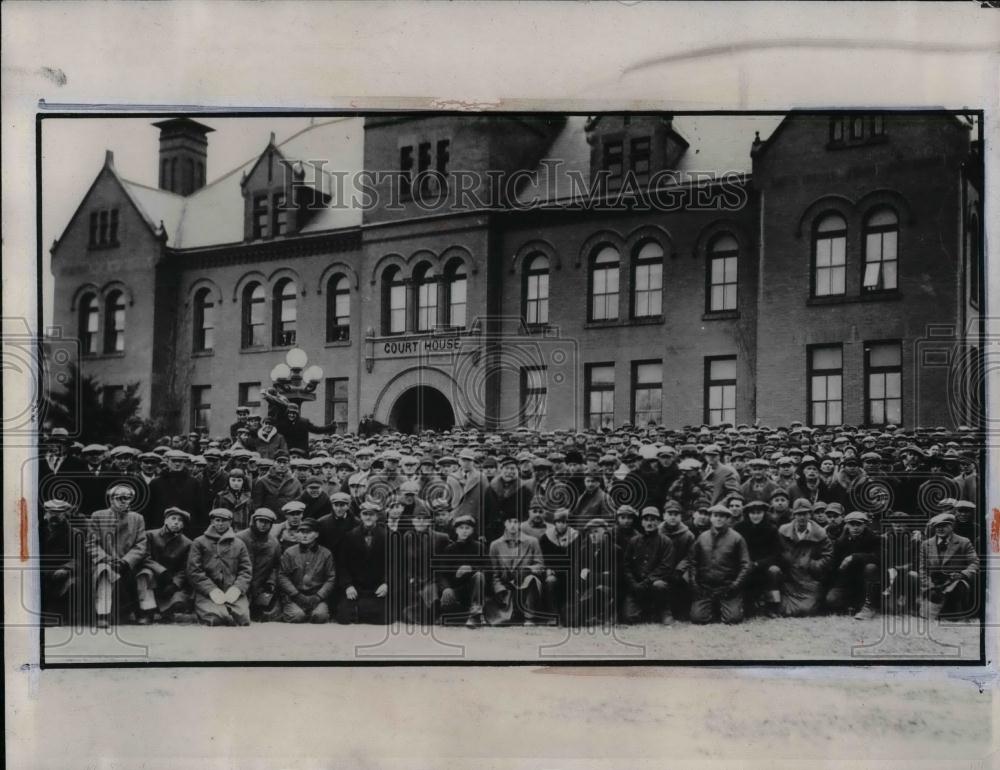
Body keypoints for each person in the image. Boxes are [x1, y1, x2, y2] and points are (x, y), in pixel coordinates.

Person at [85, 483, 148, 628]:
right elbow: (91, 544)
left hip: (128, 562)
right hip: (105, 561)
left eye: (128, 498)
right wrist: (107, 559)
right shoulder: (98, 516)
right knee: (104, 572)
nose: (124, 501)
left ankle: (142, 612)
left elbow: (141, 544)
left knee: (144, 573)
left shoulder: (137, 518)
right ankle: (103, 614)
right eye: (120, 498)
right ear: (111, 499)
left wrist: (126, 561)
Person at [186, 507, 253, 627]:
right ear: (212, 522)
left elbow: (246, 571)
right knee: (216, 619)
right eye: (217, 520)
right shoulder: (199, 542)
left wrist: (237, 589)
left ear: (230, 522)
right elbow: (194, 571)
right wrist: (211, 590)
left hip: (231, 589)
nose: (220, 524)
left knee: (243, 619)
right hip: (207, 592)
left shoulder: (239, 544)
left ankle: (228, 608)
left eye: (224, 520)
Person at [687, 505, 751, 624]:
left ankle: (730, 604)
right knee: (698, 618)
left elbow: (745, 565)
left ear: (727, 519)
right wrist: (695, 584)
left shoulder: (737, 538)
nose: (719, 519)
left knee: (733, 619)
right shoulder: (702, 537)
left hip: (727, 588)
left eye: (722, 516)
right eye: (715, 516)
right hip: (706, 587)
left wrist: (734, 586)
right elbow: (693, 562)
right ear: (711, 518)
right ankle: (713, 606)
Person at [134, 506, 193, 624]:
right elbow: (144, 556)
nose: (176, 522)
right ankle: (147, 612)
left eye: (180, 521)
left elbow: (185, 567)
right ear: (165, 520)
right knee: (145, 574)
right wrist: (161, 571)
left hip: (170, 582)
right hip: (151, 577)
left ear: (183, 525)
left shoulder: (187, 543)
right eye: (173, 518)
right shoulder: (149, 535)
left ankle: (165, 612)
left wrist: (175, 583)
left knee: (178, 602)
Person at [775, 498, 833, 617]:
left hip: (809, 579)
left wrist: (812, 565)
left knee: (807, 610)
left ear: (810, 514)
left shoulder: (820, 534)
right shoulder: (783, 531)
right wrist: (785, 563)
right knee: (782, 608)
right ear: (794, 515)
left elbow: (828, 555)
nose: (802, 517)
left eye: (805, 513)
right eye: (798, 514)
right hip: (789, 579)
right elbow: (776, 552)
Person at [485, 513, 544, 626]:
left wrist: (527, 569)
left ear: (520, 523)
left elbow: (540, 566)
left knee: (531, 579)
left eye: (516, 521)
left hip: (525, 587)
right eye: (509, 521)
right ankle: (509, 613)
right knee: (499, 620)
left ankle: (529, 617)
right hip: (506, 590)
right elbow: (494, 573)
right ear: (504, 524)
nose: (512, 525)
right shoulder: (495, 545)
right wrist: (499, 589)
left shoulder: (532, 542)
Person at [918, 512, 978, 620]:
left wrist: (962, 574)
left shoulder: (964, 542)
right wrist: (928, 584)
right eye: (937, 526)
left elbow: (975, 563)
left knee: (955, 600)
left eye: (944, 526)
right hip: (933, 583)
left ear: (952, 526)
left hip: (955, 582)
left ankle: (955, 611)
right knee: (930, 611)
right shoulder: (926, 544)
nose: (940, 529)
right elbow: (922, 568)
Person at [336, 501, 389, 625]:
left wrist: (387, 583)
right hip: (356, 588)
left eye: (371, 514)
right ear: (360, 516)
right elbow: (342, 565)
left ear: (377, 516)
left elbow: (395, 565)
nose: (368, 517)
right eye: (365, 514)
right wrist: (348, 585)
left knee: (385, 618)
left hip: (377, 588)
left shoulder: (387, 536)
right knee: (343, 616)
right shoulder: (350, 536)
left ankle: (363, 611)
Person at [622, 507, 675, 625]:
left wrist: (646, 582)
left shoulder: (666, 542)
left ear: (659, 522)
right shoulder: (634, 541)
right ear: (641, 522)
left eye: (653, 520)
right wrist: (634, 584)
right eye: (646, 520)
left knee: (659, 585)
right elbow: (626, 566)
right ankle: (646, 611)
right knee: (629, 618)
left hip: (653, 584)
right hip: (637, 586)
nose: (649, 523)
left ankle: (664, 611)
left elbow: (666, 567)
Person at [277, 518, 336, 623]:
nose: (304, 535)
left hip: (316, 596)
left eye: (308, 532)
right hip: (295, 597)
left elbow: (331, 578)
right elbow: (283, 576)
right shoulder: (289, 553)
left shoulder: (326, 553)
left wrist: (319, 596)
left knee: (320, 616)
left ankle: (314, 611)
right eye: (301, 532)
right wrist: (296, 594)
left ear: (317, 534)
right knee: (297, 616)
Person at [825, 511, 881, 620]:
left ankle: (869, 606)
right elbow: (835, 566)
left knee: (871, 567)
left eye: (858, 524)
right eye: (852, 524)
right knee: (831, 600)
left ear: (865, 525)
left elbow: (879, 558)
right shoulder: (841, 542)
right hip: (848, 582)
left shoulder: (874, 539)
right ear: (846, 525)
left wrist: (854, 557)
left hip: (867, 582)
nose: (855, 528)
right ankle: (853, 605)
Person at [39, 498, 86, 626]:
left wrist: (66, 568)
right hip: (41, 572)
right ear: (46, 513)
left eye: (59, 512)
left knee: (75, 583)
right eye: (51, 512)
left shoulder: (75, 534)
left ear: (65, 514)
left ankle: (65, 614)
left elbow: (79, 558)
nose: (54, 515)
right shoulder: (36, 532)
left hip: (63, 573)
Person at [402, 504, 450, 624]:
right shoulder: (407, 537)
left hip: (433, 581)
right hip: (414, 583)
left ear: (429, 521)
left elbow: (444, 565)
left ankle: (438, 612)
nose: (421, 522)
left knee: (431, 603)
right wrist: (411, 578)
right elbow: (404, 563)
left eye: (424, 519)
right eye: (418, 519)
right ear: (413, 521)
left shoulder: (441, 538)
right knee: (405, 612)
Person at [734, 500, 783, 618]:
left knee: (774, 571)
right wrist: (746, 564)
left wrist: (757, 564)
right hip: (745, 565)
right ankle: (747, 604)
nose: (756, 516)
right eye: (752, 513)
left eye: (759, 512)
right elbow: (735, 550)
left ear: (764, 513)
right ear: (748, 514)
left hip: (764, 566)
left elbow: (776, 554)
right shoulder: (739, 528)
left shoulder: (771, 529)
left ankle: (772, 606)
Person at [439, 514, 489, 627]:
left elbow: (488, 569)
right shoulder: (449, 549)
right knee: (447, 618)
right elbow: (442, 574)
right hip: (456, 589)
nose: (464, 531)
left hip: (475, 590)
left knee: (479, 575)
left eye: (467, 528)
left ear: (472, 530)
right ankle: (462, 614)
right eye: (461, 528)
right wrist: (446, 588)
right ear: (456, 530)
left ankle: (476, 613)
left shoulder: (479, 547)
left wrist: (471, 569)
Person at [235, 507, 283, 621]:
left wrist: (271, 582)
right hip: (240, 584)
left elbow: (276, 567)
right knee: (239, 615)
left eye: (267, 522)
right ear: (254, 521)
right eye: (260, 521)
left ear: (271, 524)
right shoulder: (239, 538)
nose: (263, 525)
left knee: (267, 613)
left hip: (261, 586)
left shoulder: (274, 543)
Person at [575, 518, 621, 627]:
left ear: (605, 532)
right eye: (590, 533)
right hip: (587, 590)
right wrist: (602, 575)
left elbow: (616, 578)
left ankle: (605, 615)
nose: (592, 535)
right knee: (570, 616)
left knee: (600, 591)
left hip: (609, 592)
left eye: (596, 531)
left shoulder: (615, 550)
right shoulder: (584, 551)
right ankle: (593, 617)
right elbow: (578, 576)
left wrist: (590, 575)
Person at [538, 508, 580, 625]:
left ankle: (568, 612)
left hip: (571, 573)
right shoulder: (546, 538)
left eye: (565, 522)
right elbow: (543, 558)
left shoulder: (576, 537)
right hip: (553, 572)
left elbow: (578, 558)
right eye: (559, 522)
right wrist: (548, 569)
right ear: (554, 523)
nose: (562, 525)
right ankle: (552, 614)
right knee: (550, 581)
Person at [147, 449, 204, 532]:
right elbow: (151, 508)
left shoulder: (193, 482)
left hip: (187, 528)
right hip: (161, 528)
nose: (177, 464)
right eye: (174, 461)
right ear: (167, 462)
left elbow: (199, 508)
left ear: (184, 463)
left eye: (180, 461)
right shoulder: (156, 483)